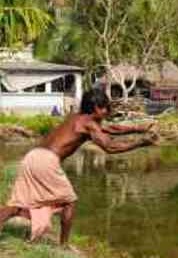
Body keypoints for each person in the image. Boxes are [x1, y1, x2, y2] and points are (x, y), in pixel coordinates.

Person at [0, 89, 158, 246]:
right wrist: (140, 143)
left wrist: (139, 128)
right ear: (96, 107)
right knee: (69, 201)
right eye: (105, 109)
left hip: (32, 156)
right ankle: (64, 246)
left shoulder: (76, 118)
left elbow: (110, 129)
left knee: (18, 203)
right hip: (46, 161)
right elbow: (110, 148)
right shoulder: (89, 123)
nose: (106, 113)